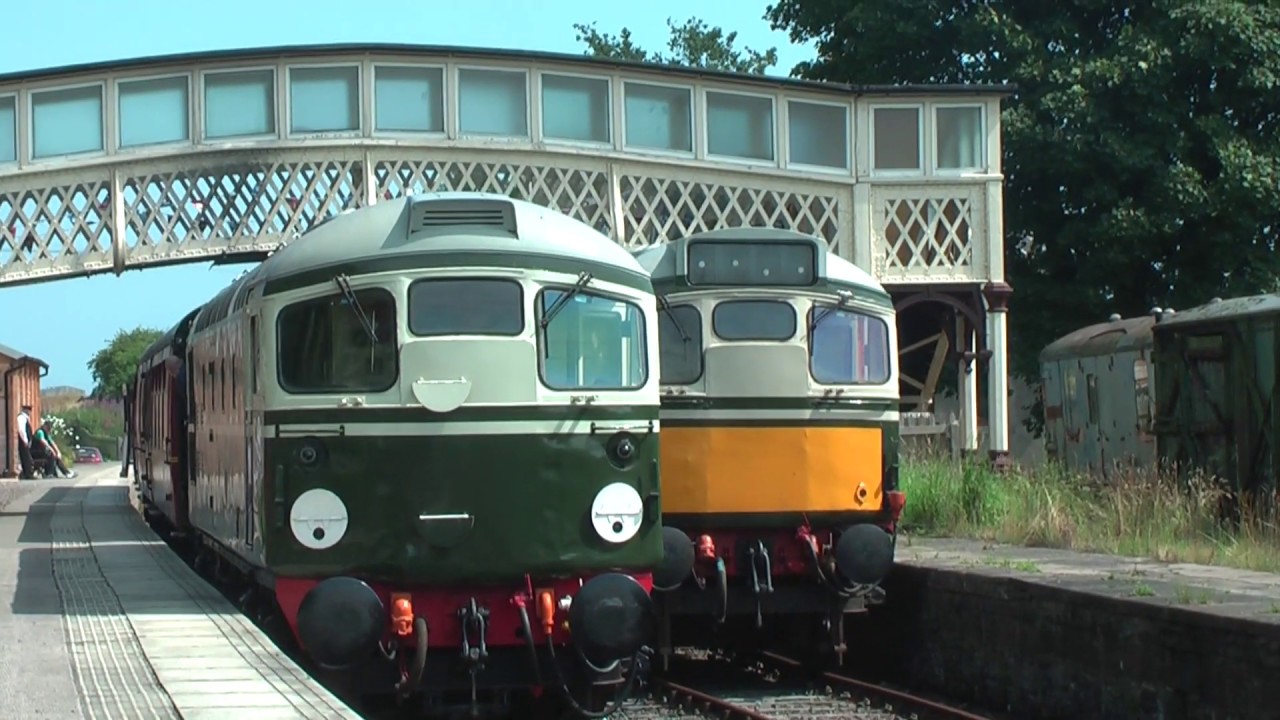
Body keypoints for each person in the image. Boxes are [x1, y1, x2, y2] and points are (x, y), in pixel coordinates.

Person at [15, 405, 33, 480]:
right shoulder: (21, 418)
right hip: (23, 441)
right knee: (26, 458)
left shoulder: (26, 418)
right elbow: (21, 430)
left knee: (27, 457)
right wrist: (25, 440)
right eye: (29, 410)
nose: (30, 412)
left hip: (26, 441)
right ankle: (27, 474)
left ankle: (28, 473)